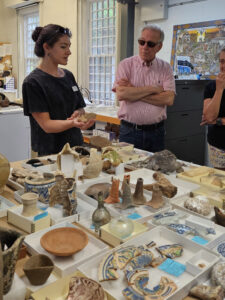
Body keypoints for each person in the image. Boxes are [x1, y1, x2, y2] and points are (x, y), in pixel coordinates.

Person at [23, 24, 95, 156]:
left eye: (69, 46)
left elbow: (80, 108)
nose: (69, 51)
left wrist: (78, 115)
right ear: (46, 47)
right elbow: (47, 124)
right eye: (63, 47)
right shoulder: (33, 82)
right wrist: (73, 123)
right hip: (50, 152)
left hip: (76, 147)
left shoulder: (68, 76)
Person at [112, 24, 175, 152]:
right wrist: (152, 88)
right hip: (129, 132)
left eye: (150, 44)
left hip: (156, 133)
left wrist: (133, 90)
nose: (144, 47)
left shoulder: (165, 68)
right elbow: (122, 94)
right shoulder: (125, 65)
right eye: (141, 42)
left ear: (159, 47)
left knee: (156, 171)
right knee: (126, 169)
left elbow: (168, 99)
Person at [201, 47, 225, 170]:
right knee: (218, 186)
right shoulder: (211, 87)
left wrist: (218, 121)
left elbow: (212, 119)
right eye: (222, 61)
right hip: (218, 147)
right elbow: (209, 117)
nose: (223, 65)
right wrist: (219, 89)